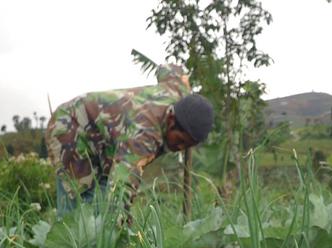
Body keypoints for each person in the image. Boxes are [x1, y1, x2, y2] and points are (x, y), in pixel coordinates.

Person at [47, 65, 214, 218]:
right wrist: (120, 226)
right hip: (71, 126)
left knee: (102, 192)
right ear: (170, 119)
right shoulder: (145, 135)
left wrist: (185, 80)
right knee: (80, 201)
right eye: (180, 140)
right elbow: (122, 187)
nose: (180, 148)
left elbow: (168, 69)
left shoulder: (180, 92)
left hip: (105, 138)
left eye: (188, 145)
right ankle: (67, 246)